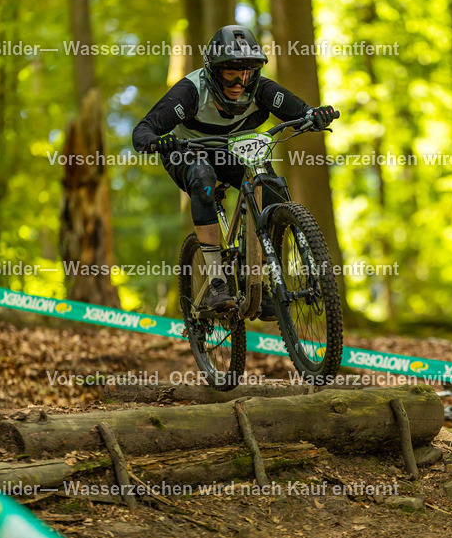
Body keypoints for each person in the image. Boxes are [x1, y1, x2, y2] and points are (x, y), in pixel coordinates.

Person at [133, 24, 336, 319]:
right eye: (230, 73)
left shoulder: (262, 89)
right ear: (214, 71)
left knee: (269, 186)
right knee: (202, 178)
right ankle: (217, 280)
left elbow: (300, 110)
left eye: (247, 73)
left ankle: (260, 279)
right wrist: (159, 141)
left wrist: (314, 115)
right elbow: (142, 131)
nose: (239, 82)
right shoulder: (190, 91)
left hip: (231, 150)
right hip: (188, 151)